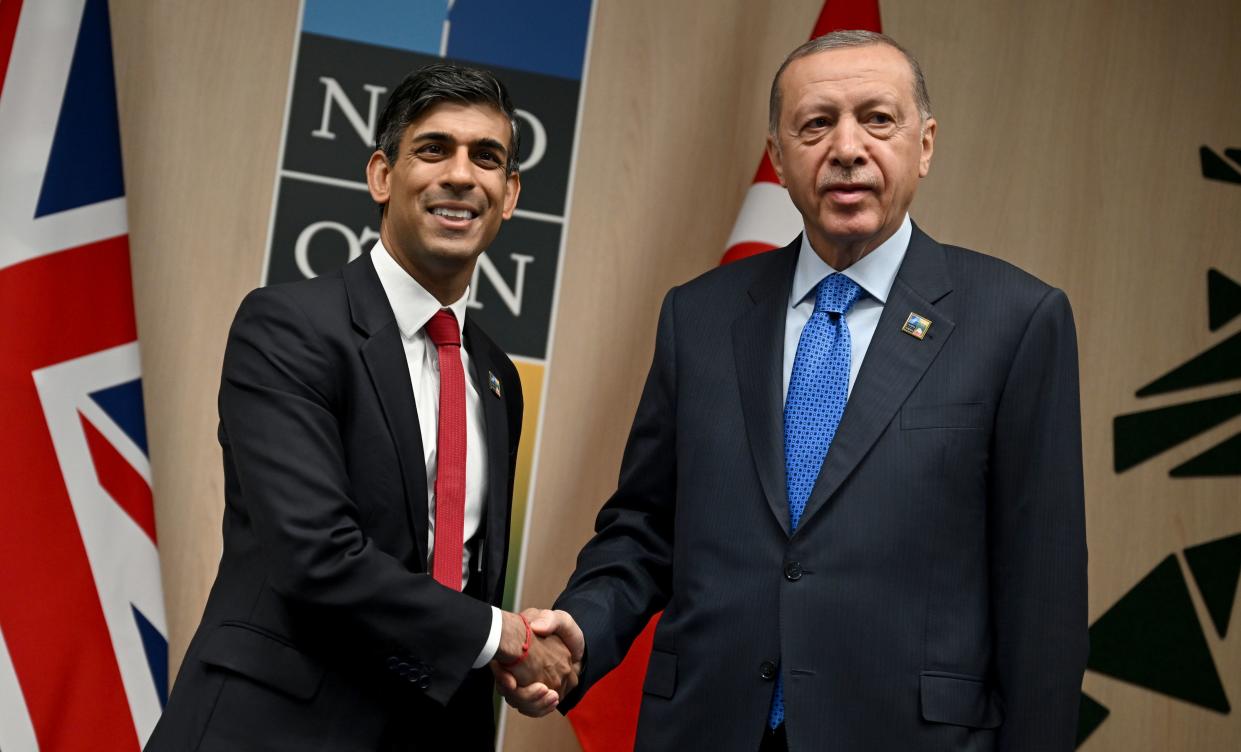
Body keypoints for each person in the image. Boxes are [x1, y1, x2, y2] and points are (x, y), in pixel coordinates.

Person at [503, 30, 1088, 751]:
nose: (846, 147)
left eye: (878, 119)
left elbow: (1044, 597)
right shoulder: (701, 315)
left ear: (925, 145)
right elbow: (645, 529)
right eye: (815, 124)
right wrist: (582, 630)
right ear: (778, 158)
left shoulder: (1015, 320)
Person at [147, 63, 577, 751]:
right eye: (434, 149)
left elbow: (460, 582)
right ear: (382, 175)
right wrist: (503, 636)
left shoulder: (497, 377)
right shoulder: (287, 326)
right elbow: (316, 555)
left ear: (510, 195)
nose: (462, 175)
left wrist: (503, 659)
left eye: (486, 158)